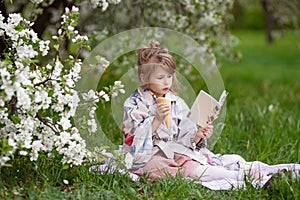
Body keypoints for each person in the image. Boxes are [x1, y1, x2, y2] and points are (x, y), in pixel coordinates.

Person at [121, 40, 300, 190]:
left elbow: (184, 134)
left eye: (169, 76)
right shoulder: (134, 104)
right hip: (148, 157)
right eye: (160, 78)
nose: (167, 82)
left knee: (193, 164)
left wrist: (197, 135)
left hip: (175, 152)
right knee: (168, 170)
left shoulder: (175, 101)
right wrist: (156, 120)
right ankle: (247, 179)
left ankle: (251, 177)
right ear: (144, 78)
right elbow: (134, 143)